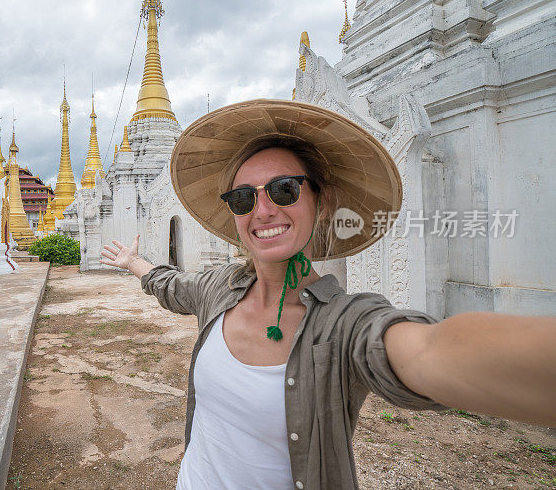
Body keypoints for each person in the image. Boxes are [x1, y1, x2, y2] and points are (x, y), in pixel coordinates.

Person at [100, 99, 556, 490]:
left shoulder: (343, 324)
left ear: (320, 202)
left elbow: (427, 351)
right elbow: (171, 286)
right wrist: (133, 264)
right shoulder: (220, 289)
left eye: (284, 189)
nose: (263, 209)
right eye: (243, 197)